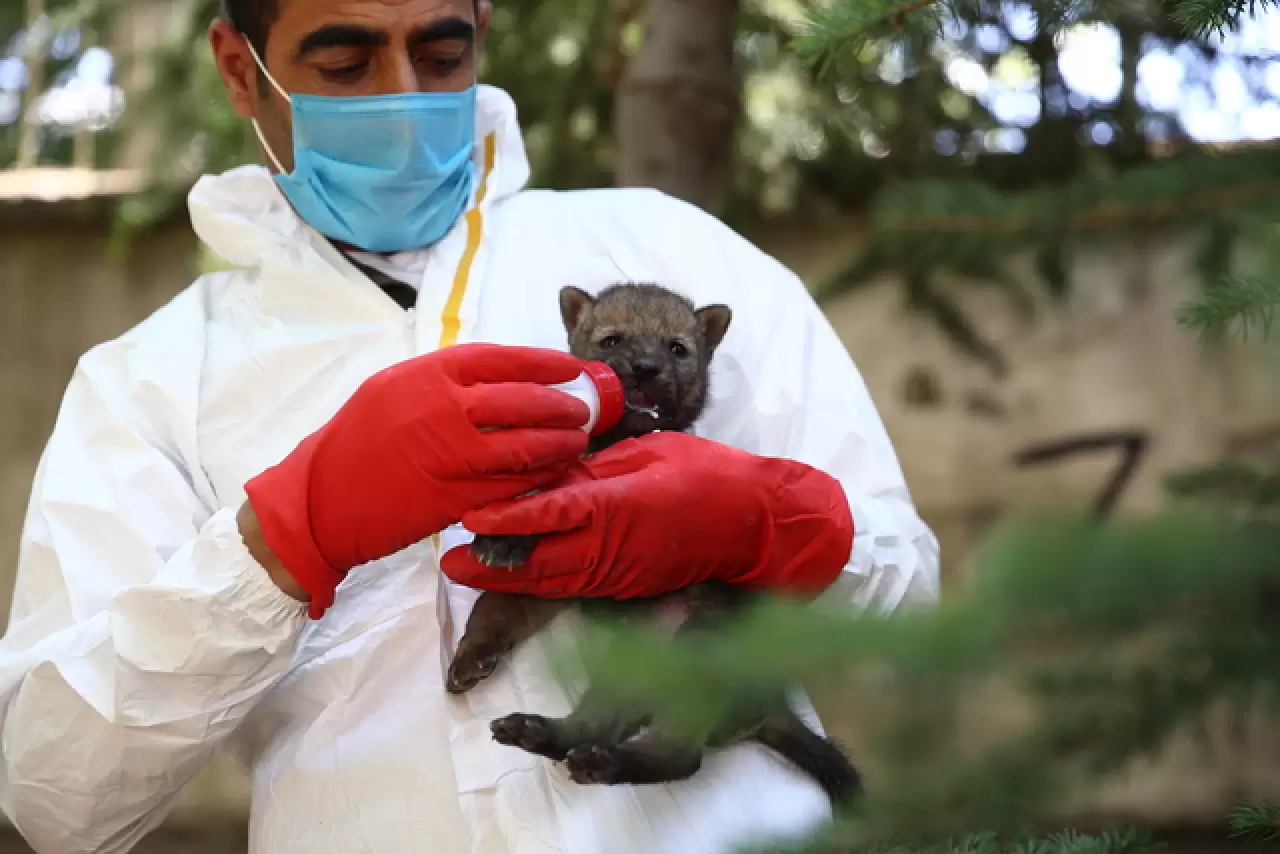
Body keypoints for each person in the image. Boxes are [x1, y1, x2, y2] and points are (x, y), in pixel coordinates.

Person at [0, 0, 940, 851]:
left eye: (441, 50)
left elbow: (913, 608)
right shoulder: (154, 379)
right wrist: (281, 542)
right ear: (241, 68)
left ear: (482, 32)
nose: (404, 97)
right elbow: (55, 798)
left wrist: (773, 526)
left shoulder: (666, 248)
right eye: (345, 63)